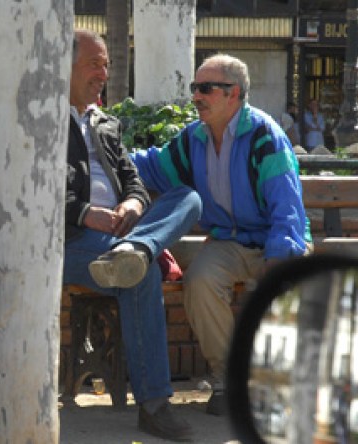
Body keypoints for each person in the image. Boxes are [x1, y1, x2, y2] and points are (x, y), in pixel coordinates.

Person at [130, 53, 310, 416]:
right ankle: (230, 381)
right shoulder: (193, 139)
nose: (196, 96)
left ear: (234, 93)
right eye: (195, 87)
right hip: (228, 242)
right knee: (200, 280)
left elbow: (286, 206)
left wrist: (278, 260)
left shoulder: (264, 136)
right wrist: (101, 155)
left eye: (207, 88)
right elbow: (154, 167)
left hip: (277, 241)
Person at [64, 29, 200, 441]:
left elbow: (134, 181)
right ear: (65, 67)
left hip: (121, 235)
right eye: (94, 64)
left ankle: (136, 249)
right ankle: (155, 405)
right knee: (141, 276)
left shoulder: (106, 123)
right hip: (71, 240)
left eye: (106, 65)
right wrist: (86, 214)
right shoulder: (43, 120)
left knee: (188, 198)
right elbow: (32, 189)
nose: (103, 74)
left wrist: (133, 206)